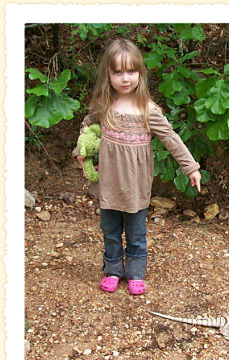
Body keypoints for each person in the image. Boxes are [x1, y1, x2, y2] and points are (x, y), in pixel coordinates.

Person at [73, 38, 201, 295]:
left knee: (136, 233)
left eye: (131, 71)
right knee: (109, 231)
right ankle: (112, 270)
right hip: (109, 184)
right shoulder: (104, 107)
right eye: (117, 72)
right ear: (108, 75)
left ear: (140, 74)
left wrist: (191, 167)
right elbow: (88, 128)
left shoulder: (148, 110)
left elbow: (171, 138)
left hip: (135, 186)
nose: (125, 78)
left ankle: (135, 272)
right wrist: (81, 152)